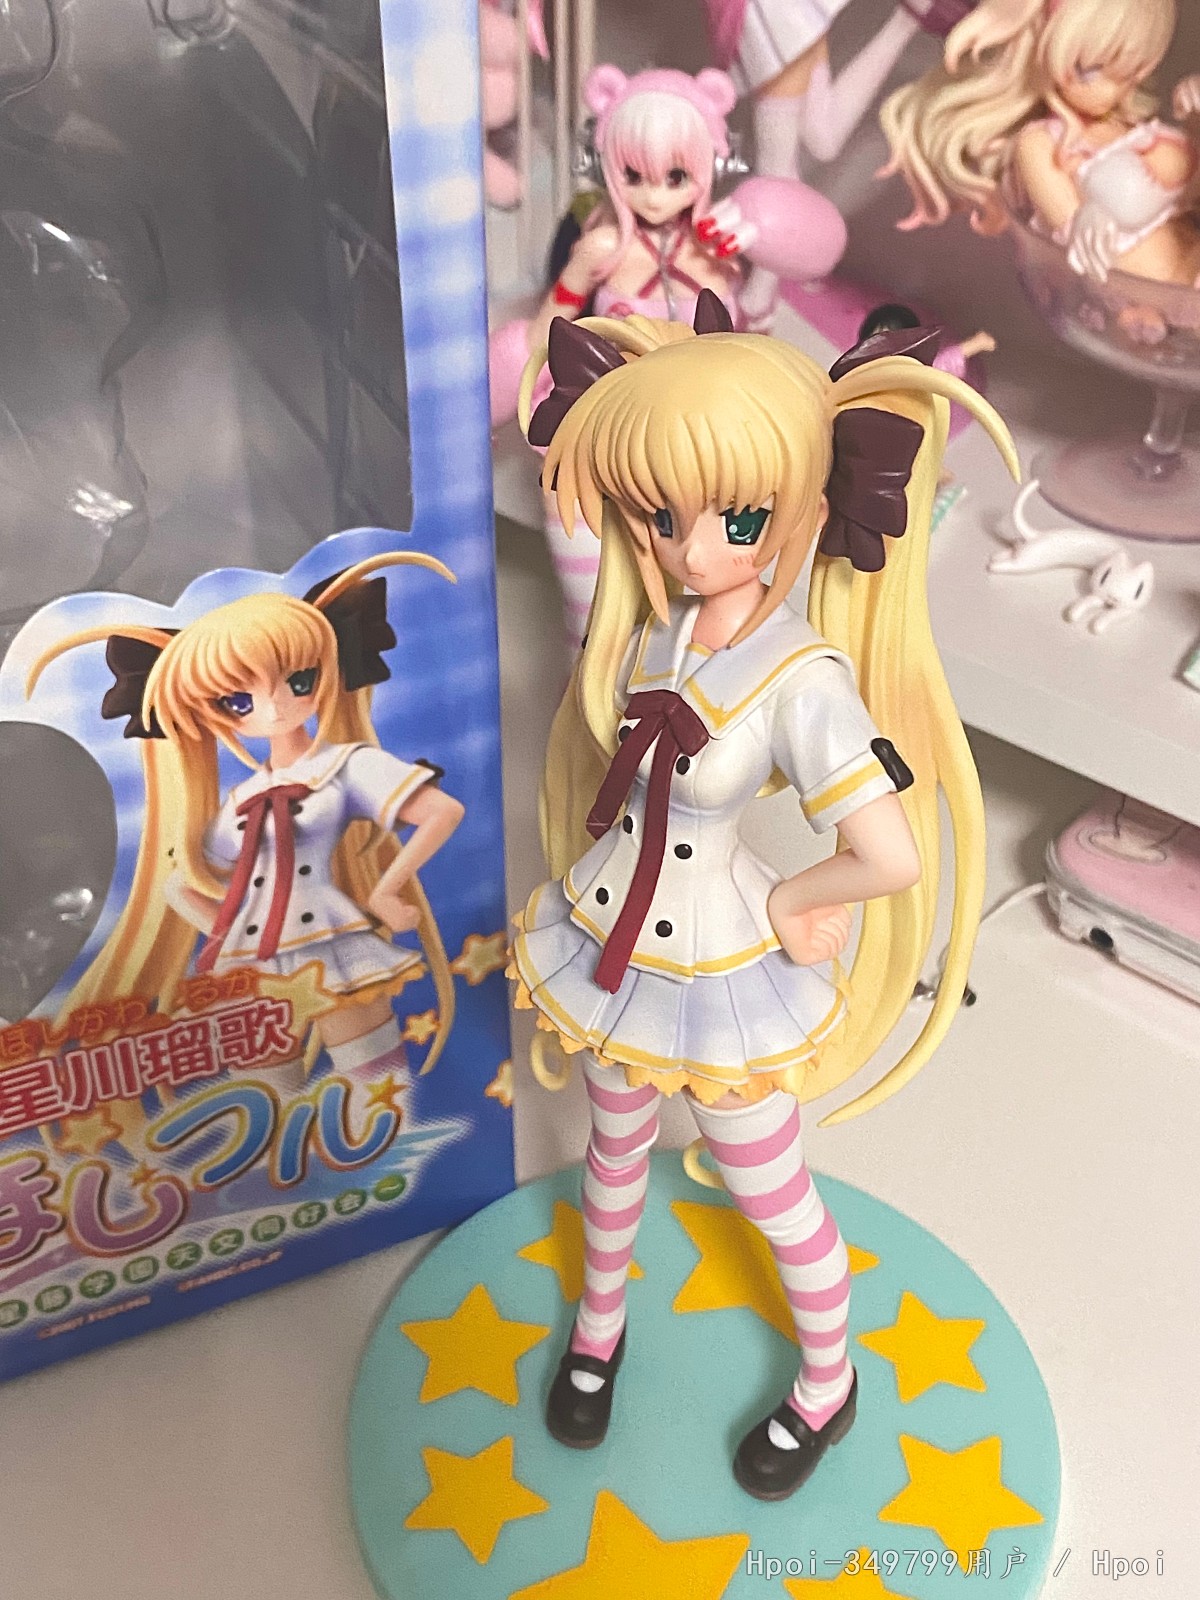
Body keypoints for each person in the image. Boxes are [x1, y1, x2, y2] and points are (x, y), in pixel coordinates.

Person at [508, 293, 1018, 1498]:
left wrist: (796, 901)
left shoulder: (802, 677)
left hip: (724, 966)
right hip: (612, 945)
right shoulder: (656, 632)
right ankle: (598, 1330)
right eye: (664, 516)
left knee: (771, 1190)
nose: (694, 550)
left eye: (735, 519)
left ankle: (829, 1383)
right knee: (612, 1151)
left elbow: (887, 851)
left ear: (801, 509)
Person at [26, 553, 463, 1091]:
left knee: (376, 1088)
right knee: (263, 1094)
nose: (273, 708)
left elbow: (441, 812)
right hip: (249, 963)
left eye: (299, 681)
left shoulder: (345, 766)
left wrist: (386, 891)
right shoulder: (242, 799)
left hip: (331, 941)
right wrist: (221, 925)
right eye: (239, 700)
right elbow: (192, 880)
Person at [489, 63, 848, 651]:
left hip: (699, 436)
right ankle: (588, 664)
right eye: (635, 176)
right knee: (590, 579)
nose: (655, 196)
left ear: (707, 167)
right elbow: (545, 335)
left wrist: (764, 261)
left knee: (703, 582)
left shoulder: (721, 247)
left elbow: (755, 337)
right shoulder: (602, 244)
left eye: (676, 176)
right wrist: (574, 279)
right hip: (616, 427)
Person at [881, 0, 1200, 286]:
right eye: (1092, 71)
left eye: (1132, 71)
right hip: (1147, 299)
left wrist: (1195, 116)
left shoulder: (1126, 125)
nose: (1114, 89)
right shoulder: (1040, 144)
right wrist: (1086, 218)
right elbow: (1070, 231)